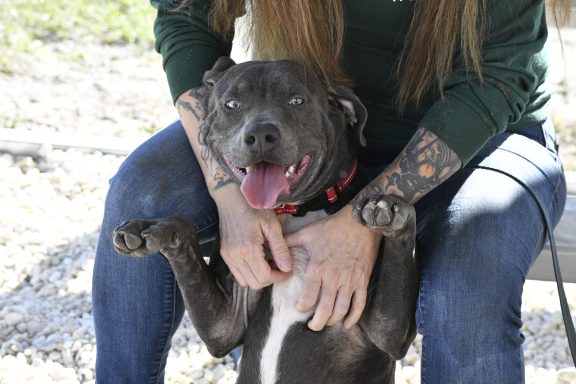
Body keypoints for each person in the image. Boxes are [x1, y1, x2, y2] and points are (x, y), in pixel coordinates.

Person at [92, 0, 571, 383]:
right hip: (305, 127)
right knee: (140, 196)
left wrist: (364, 219)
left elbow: (498, 82)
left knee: (468, 286)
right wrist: (227, 191)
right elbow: (186, 18)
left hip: (482, 137)